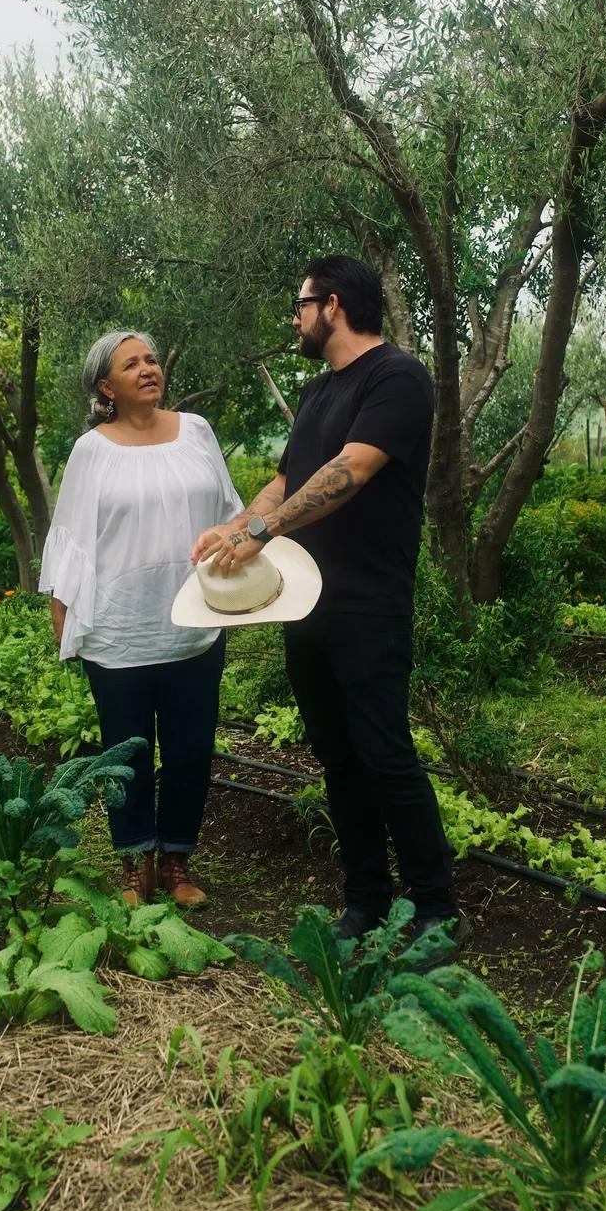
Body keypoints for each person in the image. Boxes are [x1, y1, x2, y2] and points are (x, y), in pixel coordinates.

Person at [192, 255, 463, 943]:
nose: (295, 320)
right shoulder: (317, 393)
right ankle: (365, 900)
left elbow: (352, 469)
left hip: (369, 605)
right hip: (303, 605)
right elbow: (287, 482)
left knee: (384, 755)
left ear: (333, 305)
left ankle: (436, 909)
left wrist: (262, 532)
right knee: (337, 759)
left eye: (301, 306)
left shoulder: (396, 377)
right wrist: (235, 527)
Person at [40, 329, 242, 907]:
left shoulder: (196, 432)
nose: (148, 369)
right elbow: (70, 536)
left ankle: (177, 863)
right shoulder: (91, 451)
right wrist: (62, 616)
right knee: (126, 753)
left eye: (151, 360)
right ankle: (135, 865)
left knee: (190, 750)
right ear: (107, 387)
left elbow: (231, 513)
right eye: (132, 364)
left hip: (194, 623)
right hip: (118, 628)